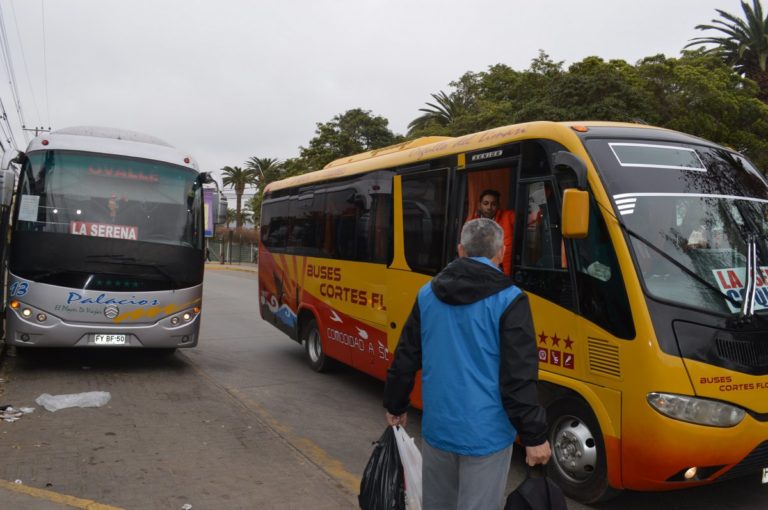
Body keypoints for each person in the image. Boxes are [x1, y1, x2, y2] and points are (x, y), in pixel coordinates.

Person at [383, 218, 551, 510]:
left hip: (438, 428)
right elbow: (519, 375)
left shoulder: (427, 294)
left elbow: (407, 354)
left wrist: (395, 404)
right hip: (487, 435)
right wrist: (534, 435)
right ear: (500, 253)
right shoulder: (510, 299)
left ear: (460, 250)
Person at [467, 189, 515, 275]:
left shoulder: (508, 216)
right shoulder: (473, 223)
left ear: (498, 206)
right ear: (480, 205)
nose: (489, 207)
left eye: (493, 204)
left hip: (502, 271)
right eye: (485, 203)